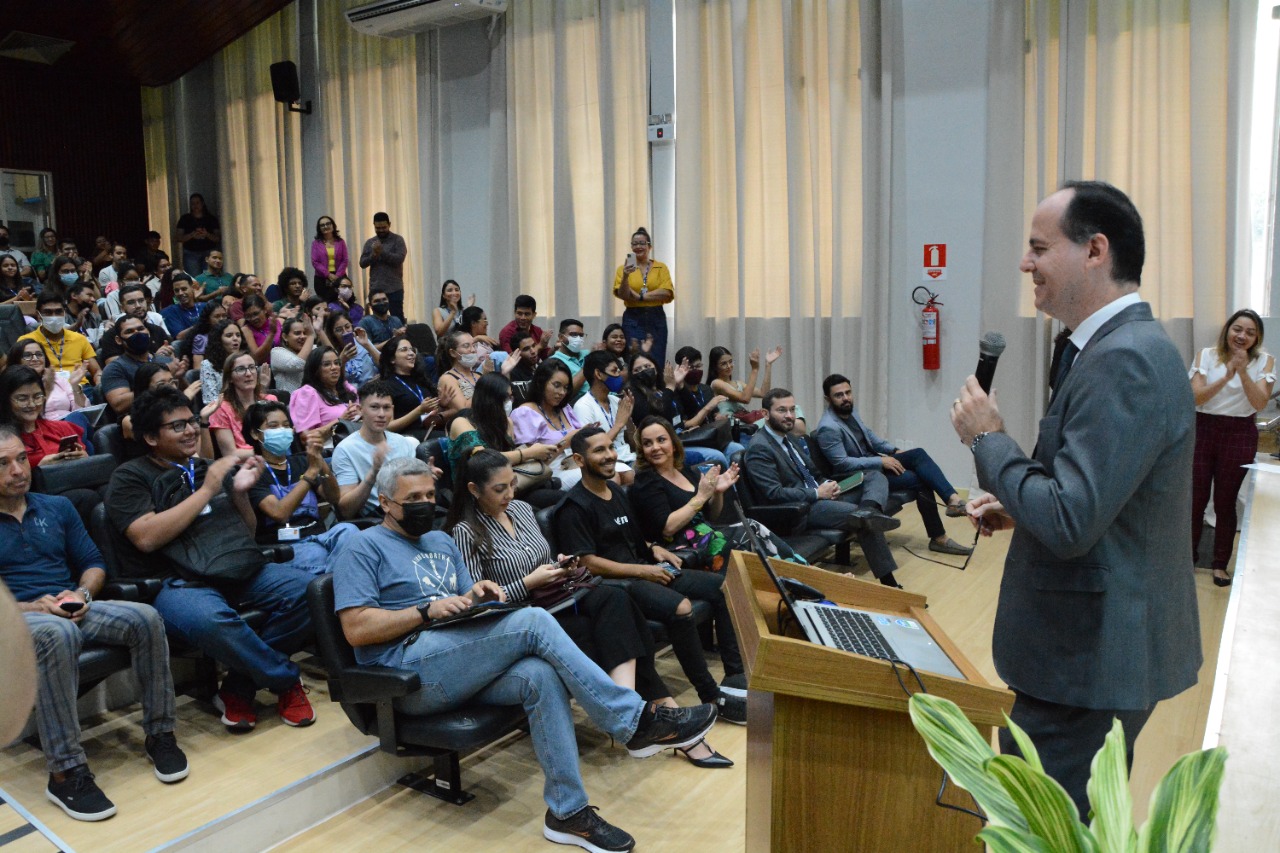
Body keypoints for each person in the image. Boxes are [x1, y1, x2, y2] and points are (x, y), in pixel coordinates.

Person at [949, 181, 1201, 816]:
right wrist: (1020, 505)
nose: (1025, 264)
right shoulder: (1112, 348)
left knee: (1036, 830)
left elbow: (1068, 520)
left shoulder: (1126, 359)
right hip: (1090, 654)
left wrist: (989, 443)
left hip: (1088, 661)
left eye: (1039, 247)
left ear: (1095, 250)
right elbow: (1096, 497)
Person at [332, 455, 719, 850]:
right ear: (385, 503)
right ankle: (630, 721)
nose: (425, 503)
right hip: (409, 671)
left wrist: (479, 594)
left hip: (459, 653)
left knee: (539, 675)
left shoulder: (440, 540)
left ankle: (568, 812)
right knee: (532, 620)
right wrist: (423, 610)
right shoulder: (362, 547)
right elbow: (356, 629)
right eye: (413, 497)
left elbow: (467, 600)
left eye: (430, 494)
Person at [448, 449, 732, 768]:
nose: (509, 494)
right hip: (523, 620)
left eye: (512, 484)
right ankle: (660, 724)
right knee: (613, 629)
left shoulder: (523, 510)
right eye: (499, 489)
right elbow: (479, 606)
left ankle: (632, 716)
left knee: (618, 601)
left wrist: (559, 566)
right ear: (474, 489)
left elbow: (543, 560)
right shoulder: (465, 533)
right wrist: (527, 583)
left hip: (558, 599)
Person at [0, 425, 187, 822]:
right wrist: (34, 607)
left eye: (20, 459)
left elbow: (92, 563)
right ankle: (66, 772)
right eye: (3, 464)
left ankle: (161, 734)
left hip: (68, 608)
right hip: (16, 620)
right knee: (58, 632)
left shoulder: (57, 508)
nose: (17, 470)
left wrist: (81, 595)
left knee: (146, 618)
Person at [105, 388, 318, 732]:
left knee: (311, 590)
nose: (190, 430)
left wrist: (238, 492)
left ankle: (239, 686)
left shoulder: (209, 468)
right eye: (177, 426)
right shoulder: (130, 477)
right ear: (150, 437)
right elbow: (145, 537)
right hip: (178, 582)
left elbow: (246, 533)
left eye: (191, 422)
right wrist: (208, 488)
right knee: (210, 620)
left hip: (237, 566)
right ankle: (285, 680)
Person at [559, 427, 748, 724]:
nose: (609, 455)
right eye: (599, 451)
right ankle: (711, 695)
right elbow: (587, 562)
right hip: (617, 585)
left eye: (610, 447)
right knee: (682, 608)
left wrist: (654, 548)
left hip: (646, 568)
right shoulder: (573, 507)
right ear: (579, 460)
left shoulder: (617, 492)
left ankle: (735, 675)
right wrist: (643, 570)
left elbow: (632, 537)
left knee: (725, 586)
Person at [746, 388, 903, 586]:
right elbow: (773, 494)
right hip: (802, 508)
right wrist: (816, 493)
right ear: (765, 414)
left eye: (792, 410)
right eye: (782, 410)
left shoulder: (789, 438)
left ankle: (869, 511)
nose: (789, 416)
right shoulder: (760, 447)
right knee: (862, 519)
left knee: (874, 476)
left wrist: (827, 484)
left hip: (823, 495)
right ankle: (890, 585)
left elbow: (815, 474)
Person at [817, 373, 973, 556]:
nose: (845, 398)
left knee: (917, 454)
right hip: (858, 478)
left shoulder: (850, 411)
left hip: (874, 465)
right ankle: (939, 537)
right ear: (828, 399)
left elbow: (870, 438)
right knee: (920, 480)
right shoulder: (828, 427)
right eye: (839, 395)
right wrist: (881, 460)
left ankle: (953, 501)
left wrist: (894, 450)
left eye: (848, 392)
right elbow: (842, 464)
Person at [631, 417, 802, 572]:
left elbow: (712, 515)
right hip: (682, 550)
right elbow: (668, 528)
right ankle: (796, 576)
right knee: (748, 537)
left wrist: (717, 493)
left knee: (752, 527)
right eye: (648, 443)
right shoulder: (646, 481)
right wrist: (702, 496)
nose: (655, 448)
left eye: (661, 440)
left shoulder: (685, 471)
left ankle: (797, 573)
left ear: (674, 444)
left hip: (707, 536)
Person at [1188, 309, 1274, 585]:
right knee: (1196, 500)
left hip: (1239, 433)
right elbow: (1196, 398)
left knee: (1226, 502)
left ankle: (1219, 565)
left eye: (1250, 332)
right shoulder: (1206, 355)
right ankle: (1186, 561)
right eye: (1238, 329)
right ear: (1227, 330)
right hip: (1203, 429)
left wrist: (1243, 371)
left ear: (1257, 338)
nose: (1242, 336)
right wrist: (1226, 376)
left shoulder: (1266, 361)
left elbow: (1260, 403)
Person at [241, 401, 355, 558]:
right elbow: (280, 513)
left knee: (350, 532)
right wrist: (311, 472)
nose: (281, 430)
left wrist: (319, 461)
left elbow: (333, 497)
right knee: (327, 556)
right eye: (273, 426)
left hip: (319, 535)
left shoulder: (301, 461)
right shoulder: (254, 471)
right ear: (255, 433)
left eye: (286, 425)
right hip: (285, 547)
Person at [332, 380, 421, 518]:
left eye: (387, 408)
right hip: (378, 519)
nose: (381, 414)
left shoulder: (403, 442)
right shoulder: (345, 449)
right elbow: (346, 510)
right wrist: (373, 473)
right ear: (360, 410)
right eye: (374, 407)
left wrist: (426, 477)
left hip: (411, 512)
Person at [512, 360, 595, 490]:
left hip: (577, 462)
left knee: (622, 472)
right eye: (557, 385)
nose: (562, 392)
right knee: (598, 476)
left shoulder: (565, 408)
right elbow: (530, 464)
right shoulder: (525, 413)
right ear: (541, 383)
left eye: (566, 387)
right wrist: (566, 441)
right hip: (549, 473)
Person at [0, 366, 89, 467]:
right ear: (5, 400)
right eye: (22, 399)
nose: (32, 404)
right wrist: (39, 472)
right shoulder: (3, 442)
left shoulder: (63, 428)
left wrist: (84, 459)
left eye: (37, 397)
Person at [573, 351, 636, 485]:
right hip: (609, 461)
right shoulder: (583, 406)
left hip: (628, 457)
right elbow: (591, 449)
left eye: (619, 371)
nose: (619, 376)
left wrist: (629, 420)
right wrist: (618, 424)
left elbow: (631, 442)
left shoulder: (614, 400)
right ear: (598, 374)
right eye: (614, 371)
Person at [612, 227, 673, 365]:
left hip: (656, 316)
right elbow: (622, 294)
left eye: (642, 243)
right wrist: (626, 276)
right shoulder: (623, 269)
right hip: (633, 317)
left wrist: (640, 297)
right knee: (633, 356)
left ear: (649, 246)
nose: (638, 247)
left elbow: (666, 291)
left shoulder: (661, 267)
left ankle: (657, 386)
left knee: (657, 357)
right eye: (635, 244)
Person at [19, 292, 101, 387]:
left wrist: (99, 384)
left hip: (80, 388)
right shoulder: (27, 341)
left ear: (64, 313)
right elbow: (21, 374)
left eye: (58, 312)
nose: (54, 316)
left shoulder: (79, 338)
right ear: (38, 314)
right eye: (48, 312)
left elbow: (96, 371)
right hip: (47, 390)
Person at [202, 352, 277, 454]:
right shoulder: (221, 408)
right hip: (244, 466)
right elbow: (230, 453)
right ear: (230, 378)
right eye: (240, 369)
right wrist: (267, 452)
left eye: (251, 367)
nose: (248, 373)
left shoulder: (270, 400)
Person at [7, 340, 87, 420]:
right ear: (17, 360)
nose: (35, 359)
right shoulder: (13, 385)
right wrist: (47, 388)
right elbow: (29, 415)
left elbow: (82, 410)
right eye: (27, 355)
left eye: (39, 354)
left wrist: (75, 385)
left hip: (70, 423)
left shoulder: (57, 379)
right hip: (41, 427)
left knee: (78, 417)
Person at [100, 317, 163, 417]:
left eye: (141, 329)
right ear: (119, 340)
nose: (137, 334)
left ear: (148, 332)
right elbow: (119, 405)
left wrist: (179, 376)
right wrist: (155, 387)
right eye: (129, 331)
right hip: (143, 418)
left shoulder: (163, 359)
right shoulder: (115, 368)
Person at [290, 346, 359, 436]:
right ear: (315, 369)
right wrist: (340, 421)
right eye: (326, 364)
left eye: (337, 363)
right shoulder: (308, 393)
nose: (334, 368)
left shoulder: (347, 388)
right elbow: (306, 437)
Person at [378, 336, 441, 436]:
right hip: (408, 436)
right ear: (392, 359)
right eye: (404, 350)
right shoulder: (386, 386)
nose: (411, 353)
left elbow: (432, 414)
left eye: (412, 349)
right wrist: (419, 411)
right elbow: (388, 427)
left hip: (430, 429)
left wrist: (442, 403)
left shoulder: (421, 380)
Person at [98, 285, 173, 364]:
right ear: (122, 308)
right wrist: (154, 359)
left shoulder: (157, 330)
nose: (138, 306)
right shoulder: (112, 334)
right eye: (131, 302)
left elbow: (172, 360)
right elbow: (113, 366)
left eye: (141, 300)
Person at [707, 345, 782, 420]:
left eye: (730, 362)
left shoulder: (739, 383)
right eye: (724, 364)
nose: (729, 366)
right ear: (715, 366)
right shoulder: (716, 383)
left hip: (744, 424)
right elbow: (745, 399)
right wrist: (754, 369)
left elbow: (763, 393)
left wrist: (768, 365)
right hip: (730, 427)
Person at [358, 212, 408, 321]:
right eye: (377, 228)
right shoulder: (370, 242)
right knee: (377, 319)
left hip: (394, 288)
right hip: (376, 288)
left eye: (384, 227)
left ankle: (401, 338)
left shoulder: (398, 240)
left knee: (397, 318)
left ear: (389, 224)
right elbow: (362, 263)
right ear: (374, 226)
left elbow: (399, 259)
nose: (381, 230)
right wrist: (374, 255)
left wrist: (382, 252)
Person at [435, 330, 484, 424]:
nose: (473, 350)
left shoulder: (478, 375)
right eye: (466, 346)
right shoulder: (448, 378)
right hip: (466, 427)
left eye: (474, 345)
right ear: (453, 353)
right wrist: (484, 383)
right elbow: (464, 411)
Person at [199, 320, 248, 406]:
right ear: (219, 340)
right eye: (229, 335)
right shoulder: (208, 365)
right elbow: (210, 401)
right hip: (220, 412)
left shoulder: (246, 361)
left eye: (238, 335)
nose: (235, 338)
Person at [327, 309, 378, 386]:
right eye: (339, 330)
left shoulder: (361, 340)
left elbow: (383, 365)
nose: (345, 332)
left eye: (347, 327)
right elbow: (336, 384)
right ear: (332, 333)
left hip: (374, 387)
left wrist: (367, 345)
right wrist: (342, 361)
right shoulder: (331, 352)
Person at [175, 193, 221, 276]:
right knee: (194, 279)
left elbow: (217, 238)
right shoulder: (185, 219)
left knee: (209, 277)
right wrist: (192, 235)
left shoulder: (211, 219)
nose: (195, 206)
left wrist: (206, 234)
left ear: (202, 203)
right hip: (191, 253)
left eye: (197, 203)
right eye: (192, 203)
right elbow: (179, 238)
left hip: (209, 252)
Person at [270, 316, 316, 394]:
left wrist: (320, 331)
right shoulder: (277, 352)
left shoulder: (312, 348)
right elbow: (298, 364)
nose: (303, 336)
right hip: (290, 403)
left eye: (305, 333)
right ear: (285, 337)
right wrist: (311, 335)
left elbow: (333, 355)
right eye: (297, 333)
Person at [309, 215, 348, 301]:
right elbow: (315, 262)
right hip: (322, 279)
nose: (325, 226)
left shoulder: (340, 242)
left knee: (343, 301)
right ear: (319, 228)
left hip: (340, 277)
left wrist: (337, 276)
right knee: (326, 302)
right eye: (322, 225)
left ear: (333, 225)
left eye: (328, 224)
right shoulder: (316, 243)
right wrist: (328, 275)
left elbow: (344, 260)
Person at [549, 319, 589, 396]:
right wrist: (587, 365)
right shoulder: (554, 362)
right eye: (573, 334)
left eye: (581, 335)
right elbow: (565, 394)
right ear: (561, 337)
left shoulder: (587, 353)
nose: (578, 339)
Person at [238, 294, 282, 365]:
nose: (253, 319)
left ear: (264, 310)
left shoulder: (276, 322)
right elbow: (256, 358)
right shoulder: (246, 330)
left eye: (256, 314)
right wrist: (271, 334)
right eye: (248, 316)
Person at [188, 301, 228, 369]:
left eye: (224, 316)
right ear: (208, 319)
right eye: (217, 316)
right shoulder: (201, 339)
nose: (221, 319)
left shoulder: (232, 335)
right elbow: (198, 369)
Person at [160, 273, 202, 338]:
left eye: (184, 289)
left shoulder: (205, 307)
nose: (180, 293)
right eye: (176, 290)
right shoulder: (169, 312)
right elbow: (179, 336)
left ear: (192, 288)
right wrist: (203, 324)